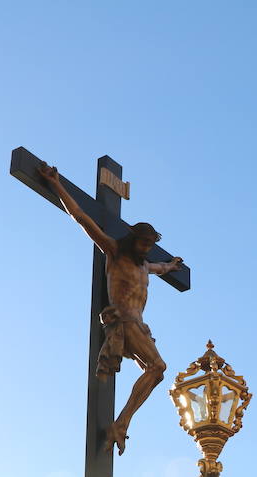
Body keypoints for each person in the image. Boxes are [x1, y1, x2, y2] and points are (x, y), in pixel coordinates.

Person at [38, 163, 184, 456]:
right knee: (158, 368)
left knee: (152, 371)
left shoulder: (145, 264)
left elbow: (161, 267)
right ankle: (122, 423)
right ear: (134, 238)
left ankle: (122, 422)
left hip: (139, 326)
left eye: (149, 244)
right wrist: (56, 184)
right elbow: (81, 217)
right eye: (143, 242)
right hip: (124, 321)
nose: (145, 248)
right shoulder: (115, 251)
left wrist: (172, 266)